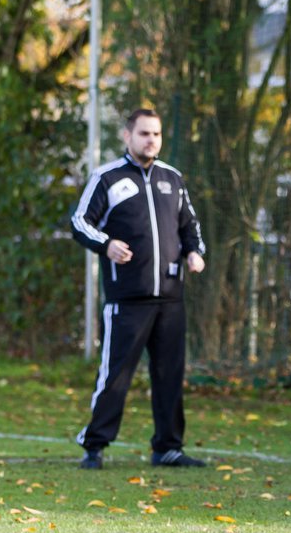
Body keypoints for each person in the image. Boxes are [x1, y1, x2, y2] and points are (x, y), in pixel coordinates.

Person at [70, 108, 208, 469]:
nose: (151, 140)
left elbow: (190, 227)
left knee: (169, 375)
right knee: (115, 375)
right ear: (128, 136)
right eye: (144, 133)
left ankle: (167, 447)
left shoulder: (172, 179)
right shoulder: (107, 178)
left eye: (157, 134)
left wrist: (195, 253)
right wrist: (107, 245)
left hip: (171, 298)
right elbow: (80, 223)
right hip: (127, 299)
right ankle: (94, 446)